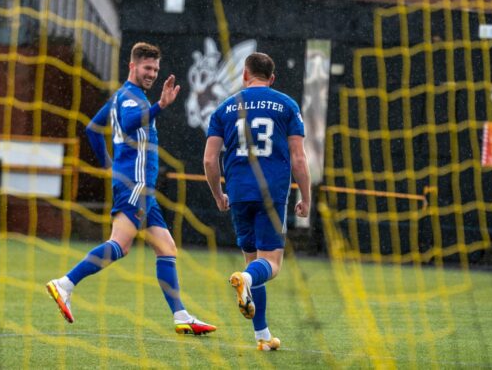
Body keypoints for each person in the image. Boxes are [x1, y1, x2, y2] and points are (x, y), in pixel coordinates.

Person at [46, 42, 216, 336]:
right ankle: (65, 283)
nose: (152, 74)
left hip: (139, 186)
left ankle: (181, 315)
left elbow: (92, 129)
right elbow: (126, 124)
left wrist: (108, 165)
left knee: (166, 247)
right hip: (136, 185)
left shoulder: (120, 97)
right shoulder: (130, 98)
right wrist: (160, 106)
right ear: (132, 66)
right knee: (120, 245)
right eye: (147, 68)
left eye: (155, 69)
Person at [203, 52, 311, 350]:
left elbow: (210, 160)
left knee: (252, 262)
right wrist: (306, 198)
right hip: (271, 193)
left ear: (244, 75)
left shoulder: (224, 108)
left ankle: (262, 337)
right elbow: (299, 159)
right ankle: (246, 281)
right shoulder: (286, 105)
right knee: (271, 264)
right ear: (272, 78)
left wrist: (218, 194)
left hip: (238, 193)